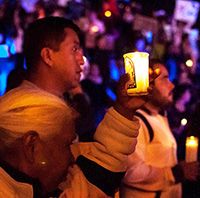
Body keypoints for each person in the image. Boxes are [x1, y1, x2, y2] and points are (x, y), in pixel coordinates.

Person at [0, 16, 156, 197]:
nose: (82, 60)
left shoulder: (67, 101)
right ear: (48, 56)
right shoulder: (22, 114)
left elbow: (88, 178)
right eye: (74, 48)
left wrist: (124, 109)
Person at [120, 59, 200, 198]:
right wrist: (176, 173)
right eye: (164, 79)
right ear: (147, 85)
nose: (172, 85)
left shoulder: (160, 116)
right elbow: (131, 171)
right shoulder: (135, 121)